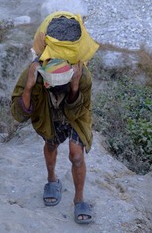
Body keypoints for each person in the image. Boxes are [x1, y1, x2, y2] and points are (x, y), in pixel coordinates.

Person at [11, 11, 99, 224]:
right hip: (49, 114)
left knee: (76, 155)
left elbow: (79, 111)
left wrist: (75, 86)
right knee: (51, 145)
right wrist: (29, 88)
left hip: (74, 114)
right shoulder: (33, 71)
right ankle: (52, 179)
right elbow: (18, 113)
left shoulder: (82, 75)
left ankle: (79, 199)